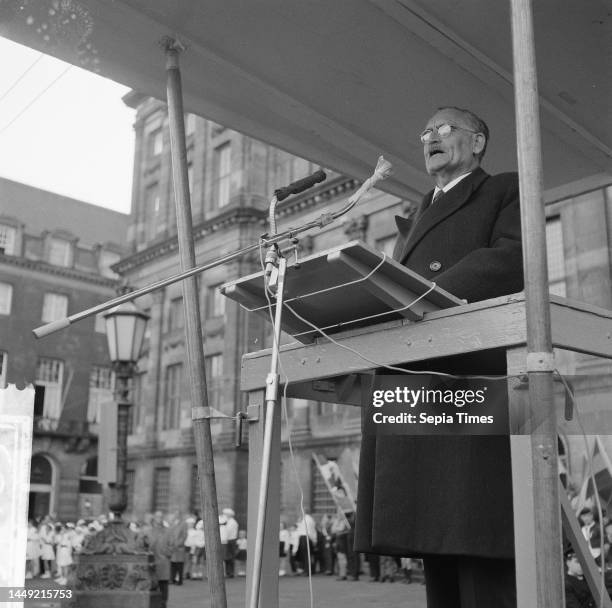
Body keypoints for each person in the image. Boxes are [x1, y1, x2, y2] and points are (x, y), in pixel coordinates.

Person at [355, 106, 523, 608]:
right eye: (425, 130)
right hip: (418, 388)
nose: (431, 137)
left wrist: (421, 294)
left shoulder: (503, 188)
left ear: (478, 143)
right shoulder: (422, 206)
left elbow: (511, 257)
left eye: (444, 129)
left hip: (471, 381)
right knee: (437, 543)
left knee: (476, 536)